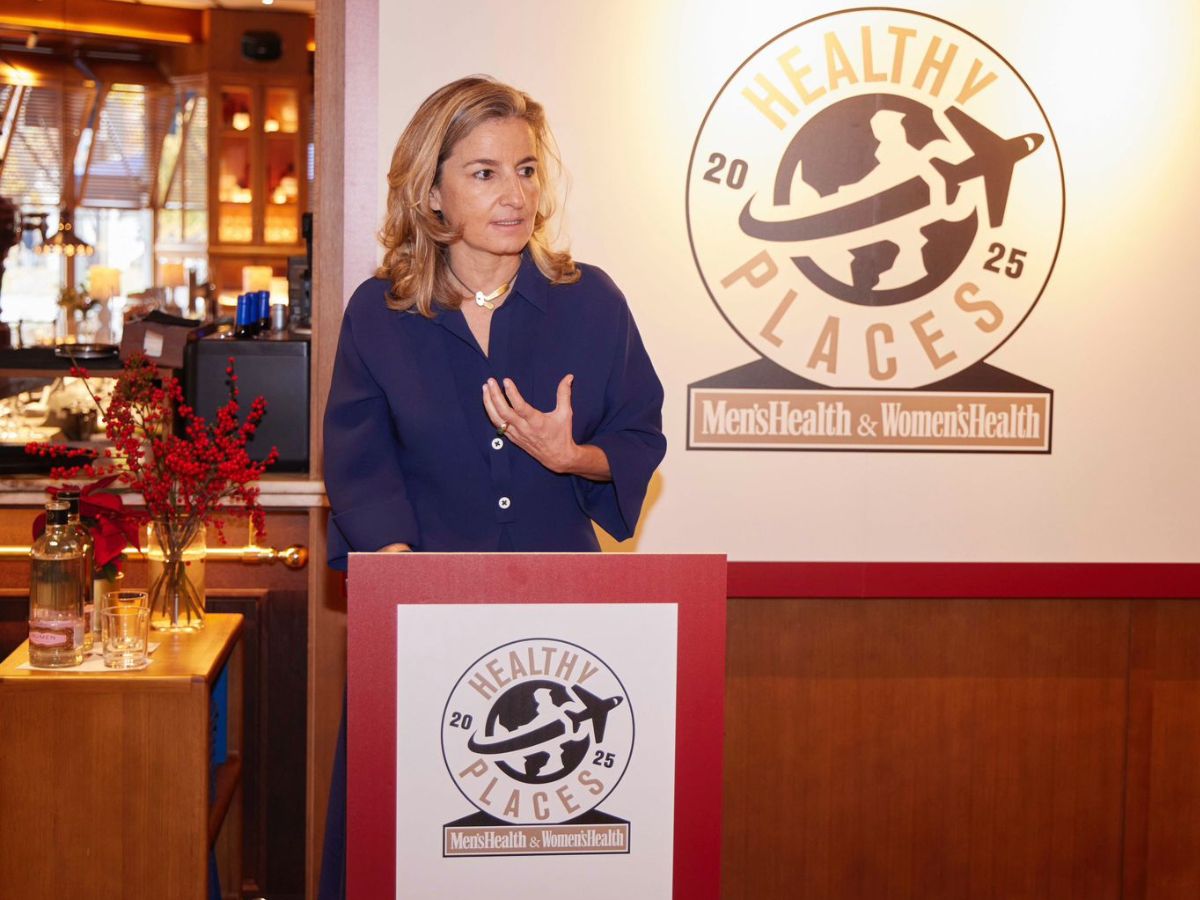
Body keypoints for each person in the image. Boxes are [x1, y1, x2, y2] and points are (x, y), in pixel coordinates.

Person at [318, 75, 666, 897]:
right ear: (432, 190)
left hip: (563, 630)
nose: (515, 194)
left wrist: (572, 454)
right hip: (420, 621)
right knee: (413, 842)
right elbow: (360, 464)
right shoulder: (378, 313)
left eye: (527, 169)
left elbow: (638, 439)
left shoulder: (591, 301)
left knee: (549, 845)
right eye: (484, 172)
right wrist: (407, 593)